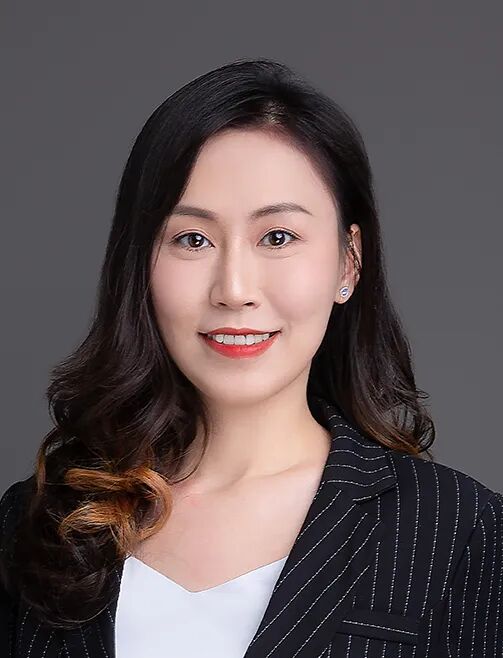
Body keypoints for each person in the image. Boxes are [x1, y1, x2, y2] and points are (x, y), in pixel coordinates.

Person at [0, 57, 501, 658]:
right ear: (139, 264)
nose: (234, 289)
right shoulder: (37, 522)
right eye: (192, 239)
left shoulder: (458, 532)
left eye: (278, 237)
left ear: (349, 262)